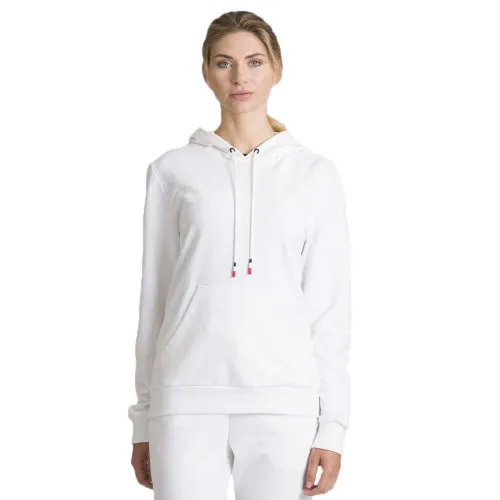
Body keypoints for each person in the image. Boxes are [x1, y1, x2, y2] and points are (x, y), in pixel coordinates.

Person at [128, 10, 351, 500]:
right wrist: (143, 417)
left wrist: (332, 425)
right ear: (206, 72)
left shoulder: (315, 175)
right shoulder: (172, 171)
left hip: (284, 402)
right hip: (185, 398)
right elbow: (155, 299)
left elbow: (329, 309)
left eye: (254, 62)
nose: (240, 77)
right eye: (224, 63)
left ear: (277, 69)